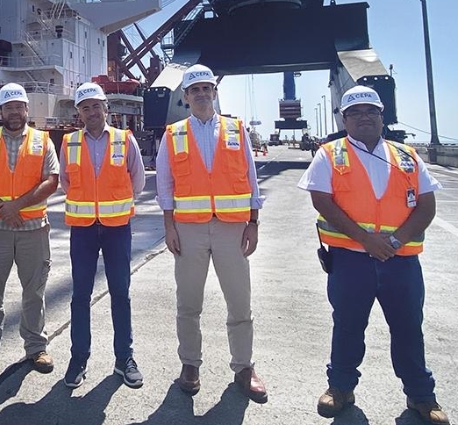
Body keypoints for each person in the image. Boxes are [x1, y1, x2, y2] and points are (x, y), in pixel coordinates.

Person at [298, 85, 450, 424]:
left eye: (371, 111)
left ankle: (421, 396)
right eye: (355, 112)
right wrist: (367, 240)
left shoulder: (407, 156)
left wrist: (394, 243)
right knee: (348, 325)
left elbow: (426, 206)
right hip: (351, 259)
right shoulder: (329, 154)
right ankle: (340, 388)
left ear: (382, 117)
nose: (364, 117)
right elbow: (322, 201)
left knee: (409, 327)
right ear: (344, 118)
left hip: (402, 261)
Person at [155, 64, 267, 403]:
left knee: (239, 301)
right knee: (188, 302)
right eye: (195, 90)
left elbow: (250, 176)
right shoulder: (172, 134)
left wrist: (254, 222)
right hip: (188, 229)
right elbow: (164, 183)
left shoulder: (236, 129)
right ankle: (190, 364)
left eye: (207, 88)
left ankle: (244, 367)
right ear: (186, 97)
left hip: (232, 228)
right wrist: (169, 226)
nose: (202, 94)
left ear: (214, 93)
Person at [0, 83, 59, 379]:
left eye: (19, 106)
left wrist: (15, 205)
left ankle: (35, 348)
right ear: (0, 111)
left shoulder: (43, 141)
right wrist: (1, 207)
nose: (15, 112)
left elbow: (51, 181)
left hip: (34, 229)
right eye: (9, 107)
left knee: (34, 291)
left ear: (27, 110)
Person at [59, 82, 146, 389]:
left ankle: (125, 359)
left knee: (120, 294)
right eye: (85, 107)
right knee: (80, 295)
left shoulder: (125, 140)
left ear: (106, 109)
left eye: (97, 106)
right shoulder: (69, 143)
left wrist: (111, 205)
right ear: (78, 113)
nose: (92, 112)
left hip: (117, 229)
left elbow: (137, 182)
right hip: (82, 230)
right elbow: (66, 182)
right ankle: (78, 357)